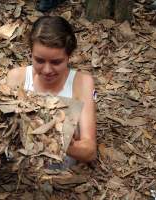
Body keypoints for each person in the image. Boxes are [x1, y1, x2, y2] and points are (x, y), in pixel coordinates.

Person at [7, 16, 97, 164]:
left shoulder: (82, 83)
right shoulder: (17, 78)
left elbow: (90, 151)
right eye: (39, 60)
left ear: (69, 56)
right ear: (31, 53)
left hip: (60, 176)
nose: (47, 70)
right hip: (18, 172)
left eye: (56, 62)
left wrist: (52, 141)